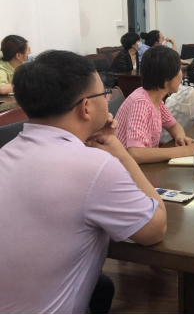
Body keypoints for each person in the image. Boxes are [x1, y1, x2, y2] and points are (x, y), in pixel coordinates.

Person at [0, 51, 167, 314]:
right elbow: (155, 228)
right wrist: (120, 153)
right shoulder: (95, 167)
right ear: (86, 107)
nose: (107, 100)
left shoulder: (6, 152)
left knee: (102, 287)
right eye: (104, 94)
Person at [116, 45, 194, 165]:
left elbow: (173, 125)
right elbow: (136, 154)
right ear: (167, 78)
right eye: (179, 70)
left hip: (144, 166)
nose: (182, 75)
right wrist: (188, 150)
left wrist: (180, 137)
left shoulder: (154, 98)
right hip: (128, 169)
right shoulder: (140, 103)